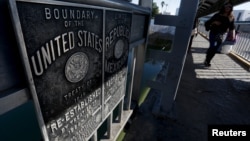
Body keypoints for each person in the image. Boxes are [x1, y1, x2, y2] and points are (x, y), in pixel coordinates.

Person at [204, 3, 235, 67]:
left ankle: (208, 59)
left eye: (229, 7)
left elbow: (232, 27)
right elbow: (207, 22)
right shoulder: (217, 15)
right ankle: (207, 60)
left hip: (222, 35)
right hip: (213, 32)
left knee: (215, 49)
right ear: (223, 7)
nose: (227, 8)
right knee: (212, 47)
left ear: (231, 9)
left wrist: (233, 35)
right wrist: (214, 22)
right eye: (226, 6)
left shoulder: (231, 17)